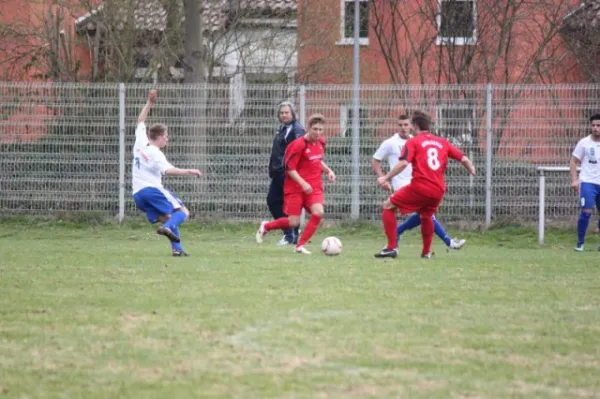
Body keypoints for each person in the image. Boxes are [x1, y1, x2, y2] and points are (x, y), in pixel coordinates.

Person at [374, 111, 476, 259]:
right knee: (426, 215)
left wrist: (386, 177)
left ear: (415, 126)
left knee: (388, 206)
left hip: (420, 186)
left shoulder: (413, 141)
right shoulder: (442, 142)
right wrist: (471, 169)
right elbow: (464, 158)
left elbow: (403, 162)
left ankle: (391, 247)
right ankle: (427, 252)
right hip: (438, 189)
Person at [131, 89, 202, 257]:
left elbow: (141, 120)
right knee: (183, 212)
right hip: (152, 190)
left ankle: (177, 250)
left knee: (168, 218)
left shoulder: (140, 142)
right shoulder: (156, 153)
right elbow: (169, 170)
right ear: (160, 137)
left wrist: (149, 103)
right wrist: (189, 170)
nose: (167, 140)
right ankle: (168, 228)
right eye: (166, 137)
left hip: (137, 195)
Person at [256, 113, 336, 254]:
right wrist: (303, 183)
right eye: (315, 129)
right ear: (308, 128)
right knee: (293, 222)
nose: (317, 132)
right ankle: (267, 226)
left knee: (318, 213)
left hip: (314, 187)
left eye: (320, 129)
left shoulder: (321, 142)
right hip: (295, 188)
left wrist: (328, 170)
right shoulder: (298, 145)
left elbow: (316, 160)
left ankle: (300, 245)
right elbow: (290, 169)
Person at [267, 102, 305, 245]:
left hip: (288, 174)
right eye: (281, 113)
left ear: (293, 114)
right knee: (273, 201)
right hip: (278, 173)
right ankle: (290, 232)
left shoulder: (297, 130)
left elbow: (298, 153)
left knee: (288, 205)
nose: (284, 115)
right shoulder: (282, 128)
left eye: (286, 113)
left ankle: (291, 234)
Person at [570, 113, 600, 252]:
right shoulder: (584, 143)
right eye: (593, 125)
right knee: (586, 211)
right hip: (588, 181)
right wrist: (575, 180)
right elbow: (574, 161)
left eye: (598, 125)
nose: (595, 128)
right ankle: (580, 243)